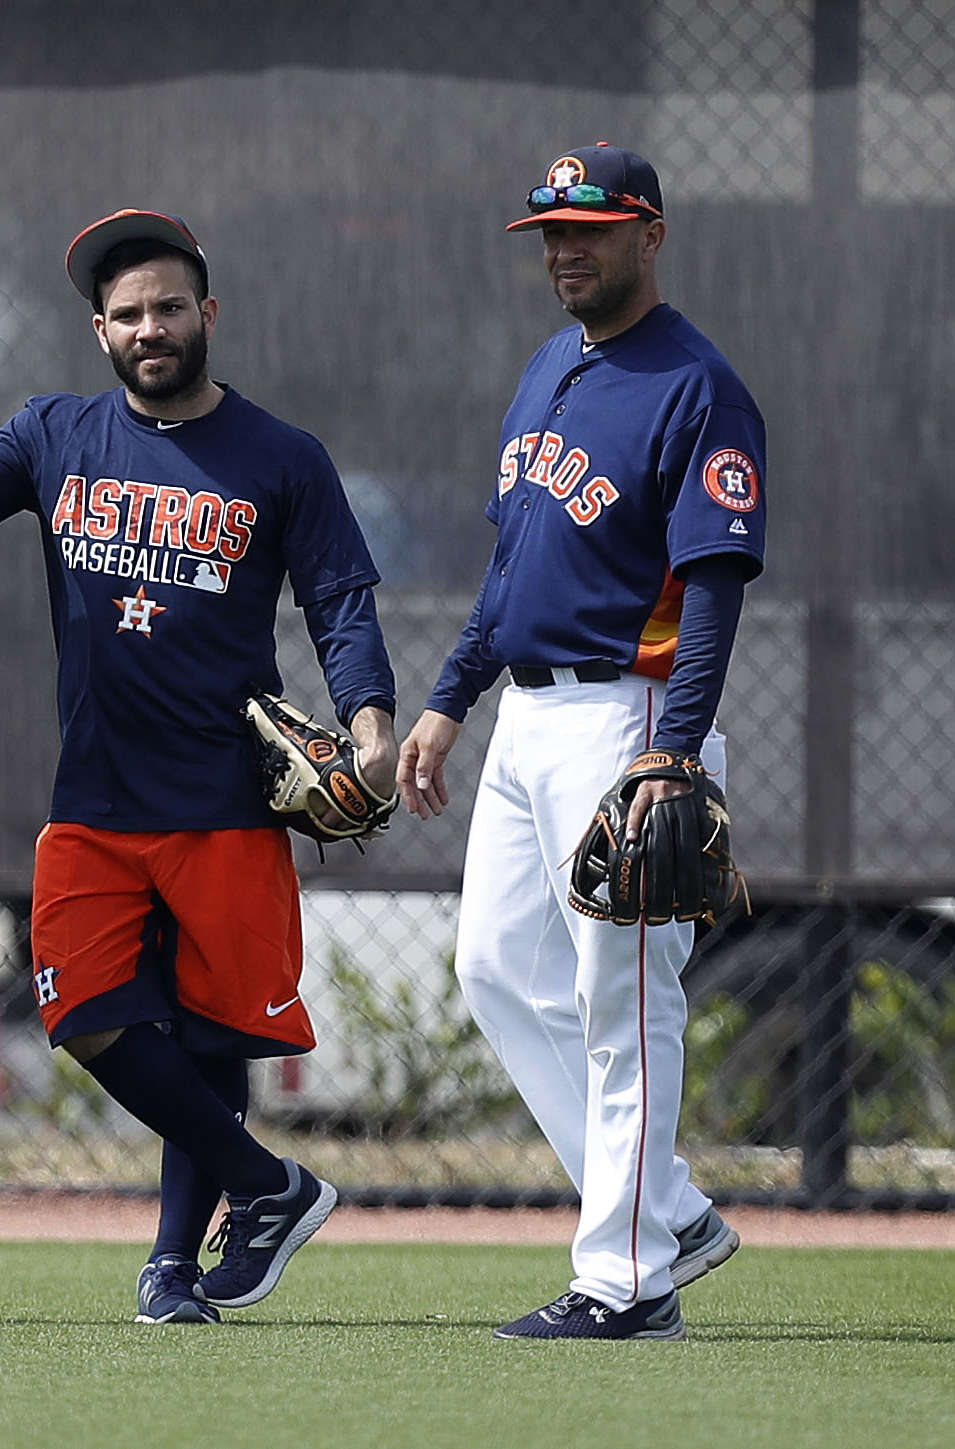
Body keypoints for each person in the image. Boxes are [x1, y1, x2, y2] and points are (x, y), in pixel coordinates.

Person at [0, 209, 397, 1323]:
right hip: (94, 795)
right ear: (98, 328)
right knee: (82, 1013)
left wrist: (369, 721)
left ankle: (173, 1268)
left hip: (226, 798)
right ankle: (267, 1188)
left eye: (168, 307)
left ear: (207, 315)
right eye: (127, 313)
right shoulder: (55, 433)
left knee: (210, 1036)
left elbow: (336, 600)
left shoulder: (280, 458)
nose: (150, 327)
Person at [396, 143, 765, 1340]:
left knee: (624, 1003)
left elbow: (710, 586)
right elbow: (512, 566)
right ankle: (668, 1209)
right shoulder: (550, 364)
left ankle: (625, 1282)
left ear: (647, 235)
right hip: (526, 713)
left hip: (630, 708)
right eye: (551, 232)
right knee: (495, 968)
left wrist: (675, 748)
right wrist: (451, 698)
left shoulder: (697, 384)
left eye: (591, 230)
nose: (566, 249)